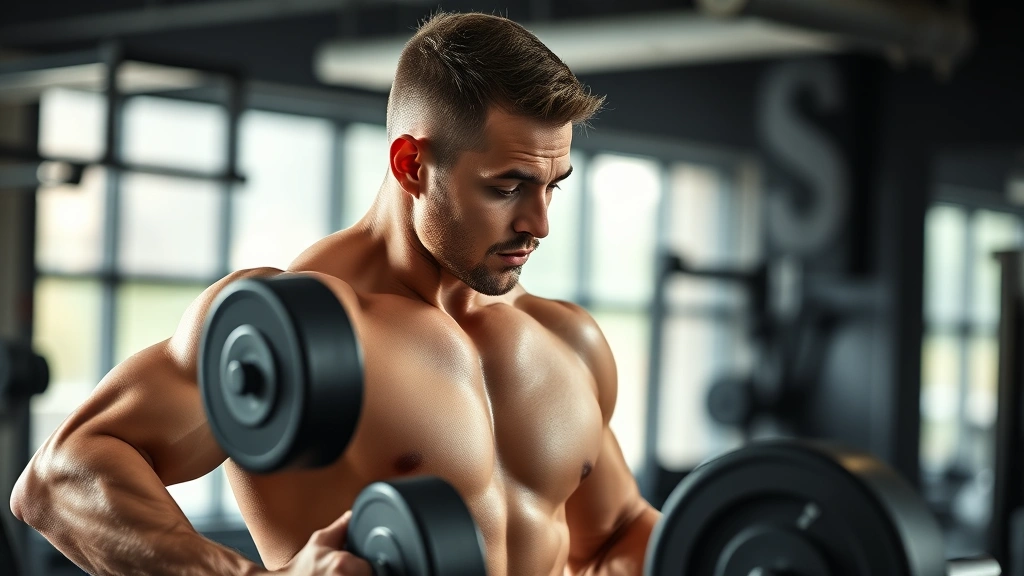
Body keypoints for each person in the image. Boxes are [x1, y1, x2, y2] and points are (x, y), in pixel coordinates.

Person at [11, 11, 661, 576]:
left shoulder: (566, 340)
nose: (539, 224)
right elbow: (60, 477)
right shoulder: (293, 331)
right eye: (507, 186)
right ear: (411, 164)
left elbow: (614, 537)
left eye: (553, 186)